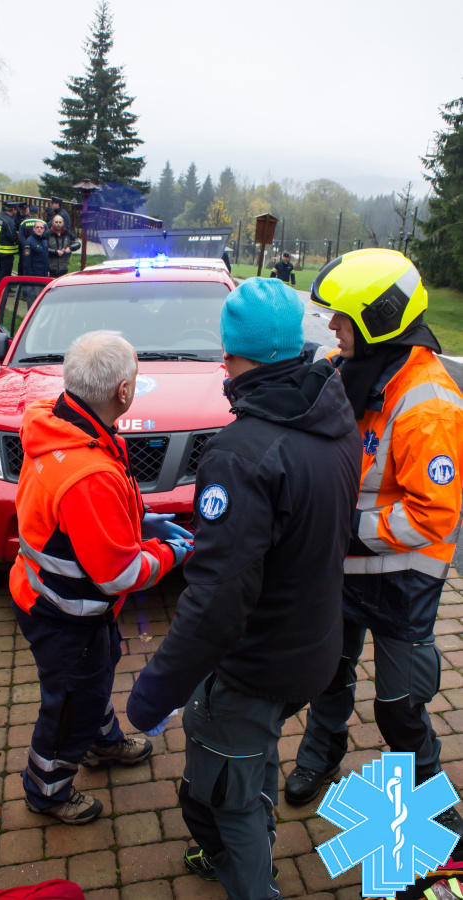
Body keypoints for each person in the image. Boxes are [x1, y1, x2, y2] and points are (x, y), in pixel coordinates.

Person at [126, 278, 361, 900]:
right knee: (251, 756)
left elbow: (215, 604)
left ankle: (252, 881)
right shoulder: (332, 414)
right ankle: (256, 836)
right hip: (313, 646)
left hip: (256, 664)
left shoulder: (240, 453)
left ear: (234, 355)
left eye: (226, 354)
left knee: (218, 799)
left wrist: (155, 692)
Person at [284, 249, 463, 843]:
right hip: (343, 569)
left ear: (380, 321)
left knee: (400, 706)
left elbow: (433, 514)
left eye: (343, 318)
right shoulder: (345, 367)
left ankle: (431, 798)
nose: (332, 327)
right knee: (327, 673)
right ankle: (321, 752)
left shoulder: (429, 405)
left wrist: (339, 526)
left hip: (403, 580)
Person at [9, 330, 194, 825]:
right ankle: (47, 790)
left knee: (95, 675)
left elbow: (87, 520)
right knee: (70, 707)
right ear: (124, 391)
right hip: (66, 614)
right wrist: (171, 552)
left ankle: (101, 740)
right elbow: (120, 572)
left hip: (61, 602)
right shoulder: (89, 471)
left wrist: (140, 519)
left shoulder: (60, 422)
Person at [0, 200, 19, 287]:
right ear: (13, 209)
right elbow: (12, 236)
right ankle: (4, 288)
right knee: (6, 270)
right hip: (6, 250)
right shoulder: (9, 221)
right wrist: (18, 235)